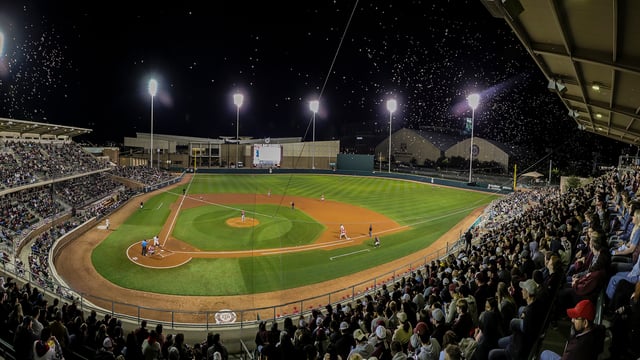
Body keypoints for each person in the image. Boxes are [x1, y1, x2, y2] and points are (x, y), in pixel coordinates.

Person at [539, 299, 604, 360]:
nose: (572, 320)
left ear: (585, 323)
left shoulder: (576, 348)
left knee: (544, 354)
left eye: (576, 318)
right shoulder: (599, 330)